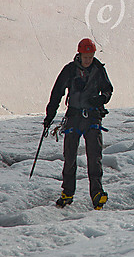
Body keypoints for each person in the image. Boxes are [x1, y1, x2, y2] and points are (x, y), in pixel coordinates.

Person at [44, 38, 113, 210]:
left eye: (91, 56)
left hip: (92, 118)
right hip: (74, 117)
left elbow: (108, 89)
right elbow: (57, 93)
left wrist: (101, 99)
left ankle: (97, 194)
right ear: (79, 54)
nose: (88, 60)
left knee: (94, 158)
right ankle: (67, 193)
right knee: (69, 157)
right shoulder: (69, 70)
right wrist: (49, 115)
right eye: (86, 56)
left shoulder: (99, 69)